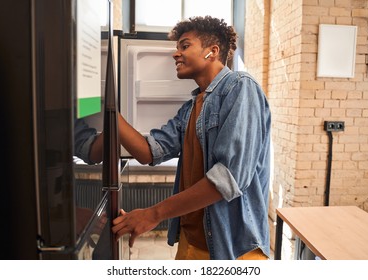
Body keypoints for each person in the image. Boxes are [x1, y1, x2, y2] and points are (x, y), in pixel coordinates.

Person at [95, 15, 271, 260]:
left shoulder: (240, 88)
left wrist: (152, 214)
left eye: (185, 46)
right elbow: (148, 152)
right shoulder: (191, 108)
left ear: (213, 51)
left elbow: (228, 178)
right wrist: (107, 108)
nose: (175, 54)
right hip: (192, 243)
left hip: (233, 249)